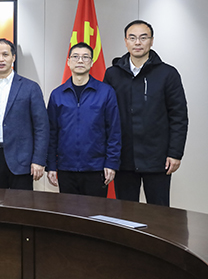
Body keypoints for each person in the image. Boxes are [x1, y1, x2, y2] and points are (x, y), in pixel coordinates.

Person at [104, 20, 188, 206]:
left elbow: (179, 117)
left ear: (151, 41)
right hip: (123, 158)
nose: (138, 43)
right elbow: (106, 117)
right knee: (125, 212)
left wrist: (175, 153)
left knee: (159, 213)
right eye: (132, 38)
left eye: (143, 38)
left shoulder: (168, 74)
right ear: (125, 41)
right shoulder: (112, 74)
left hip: (158, 158)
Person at [46, 42, 121, 197]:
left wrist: (111, 163)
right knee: (68, 211)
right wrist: (51, 165)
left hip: (96, 168)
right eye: (75, 57)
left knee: (96, 211)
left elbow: (114, 131)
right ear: (68, 62)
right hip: (66, 168)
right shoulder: (57, 95)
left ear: (92, 62)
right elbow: (51, 133)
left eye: (85, 57)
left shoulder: (106, 92)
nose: (80, 60)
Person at [0, 38, 49, 189]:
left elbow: (41, 126)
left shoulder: (30, 87)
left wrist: (39, 160)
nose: (1, 59)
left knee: (21, 203)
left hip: (22, 160)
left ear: (13, 57)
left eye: (5, 54)